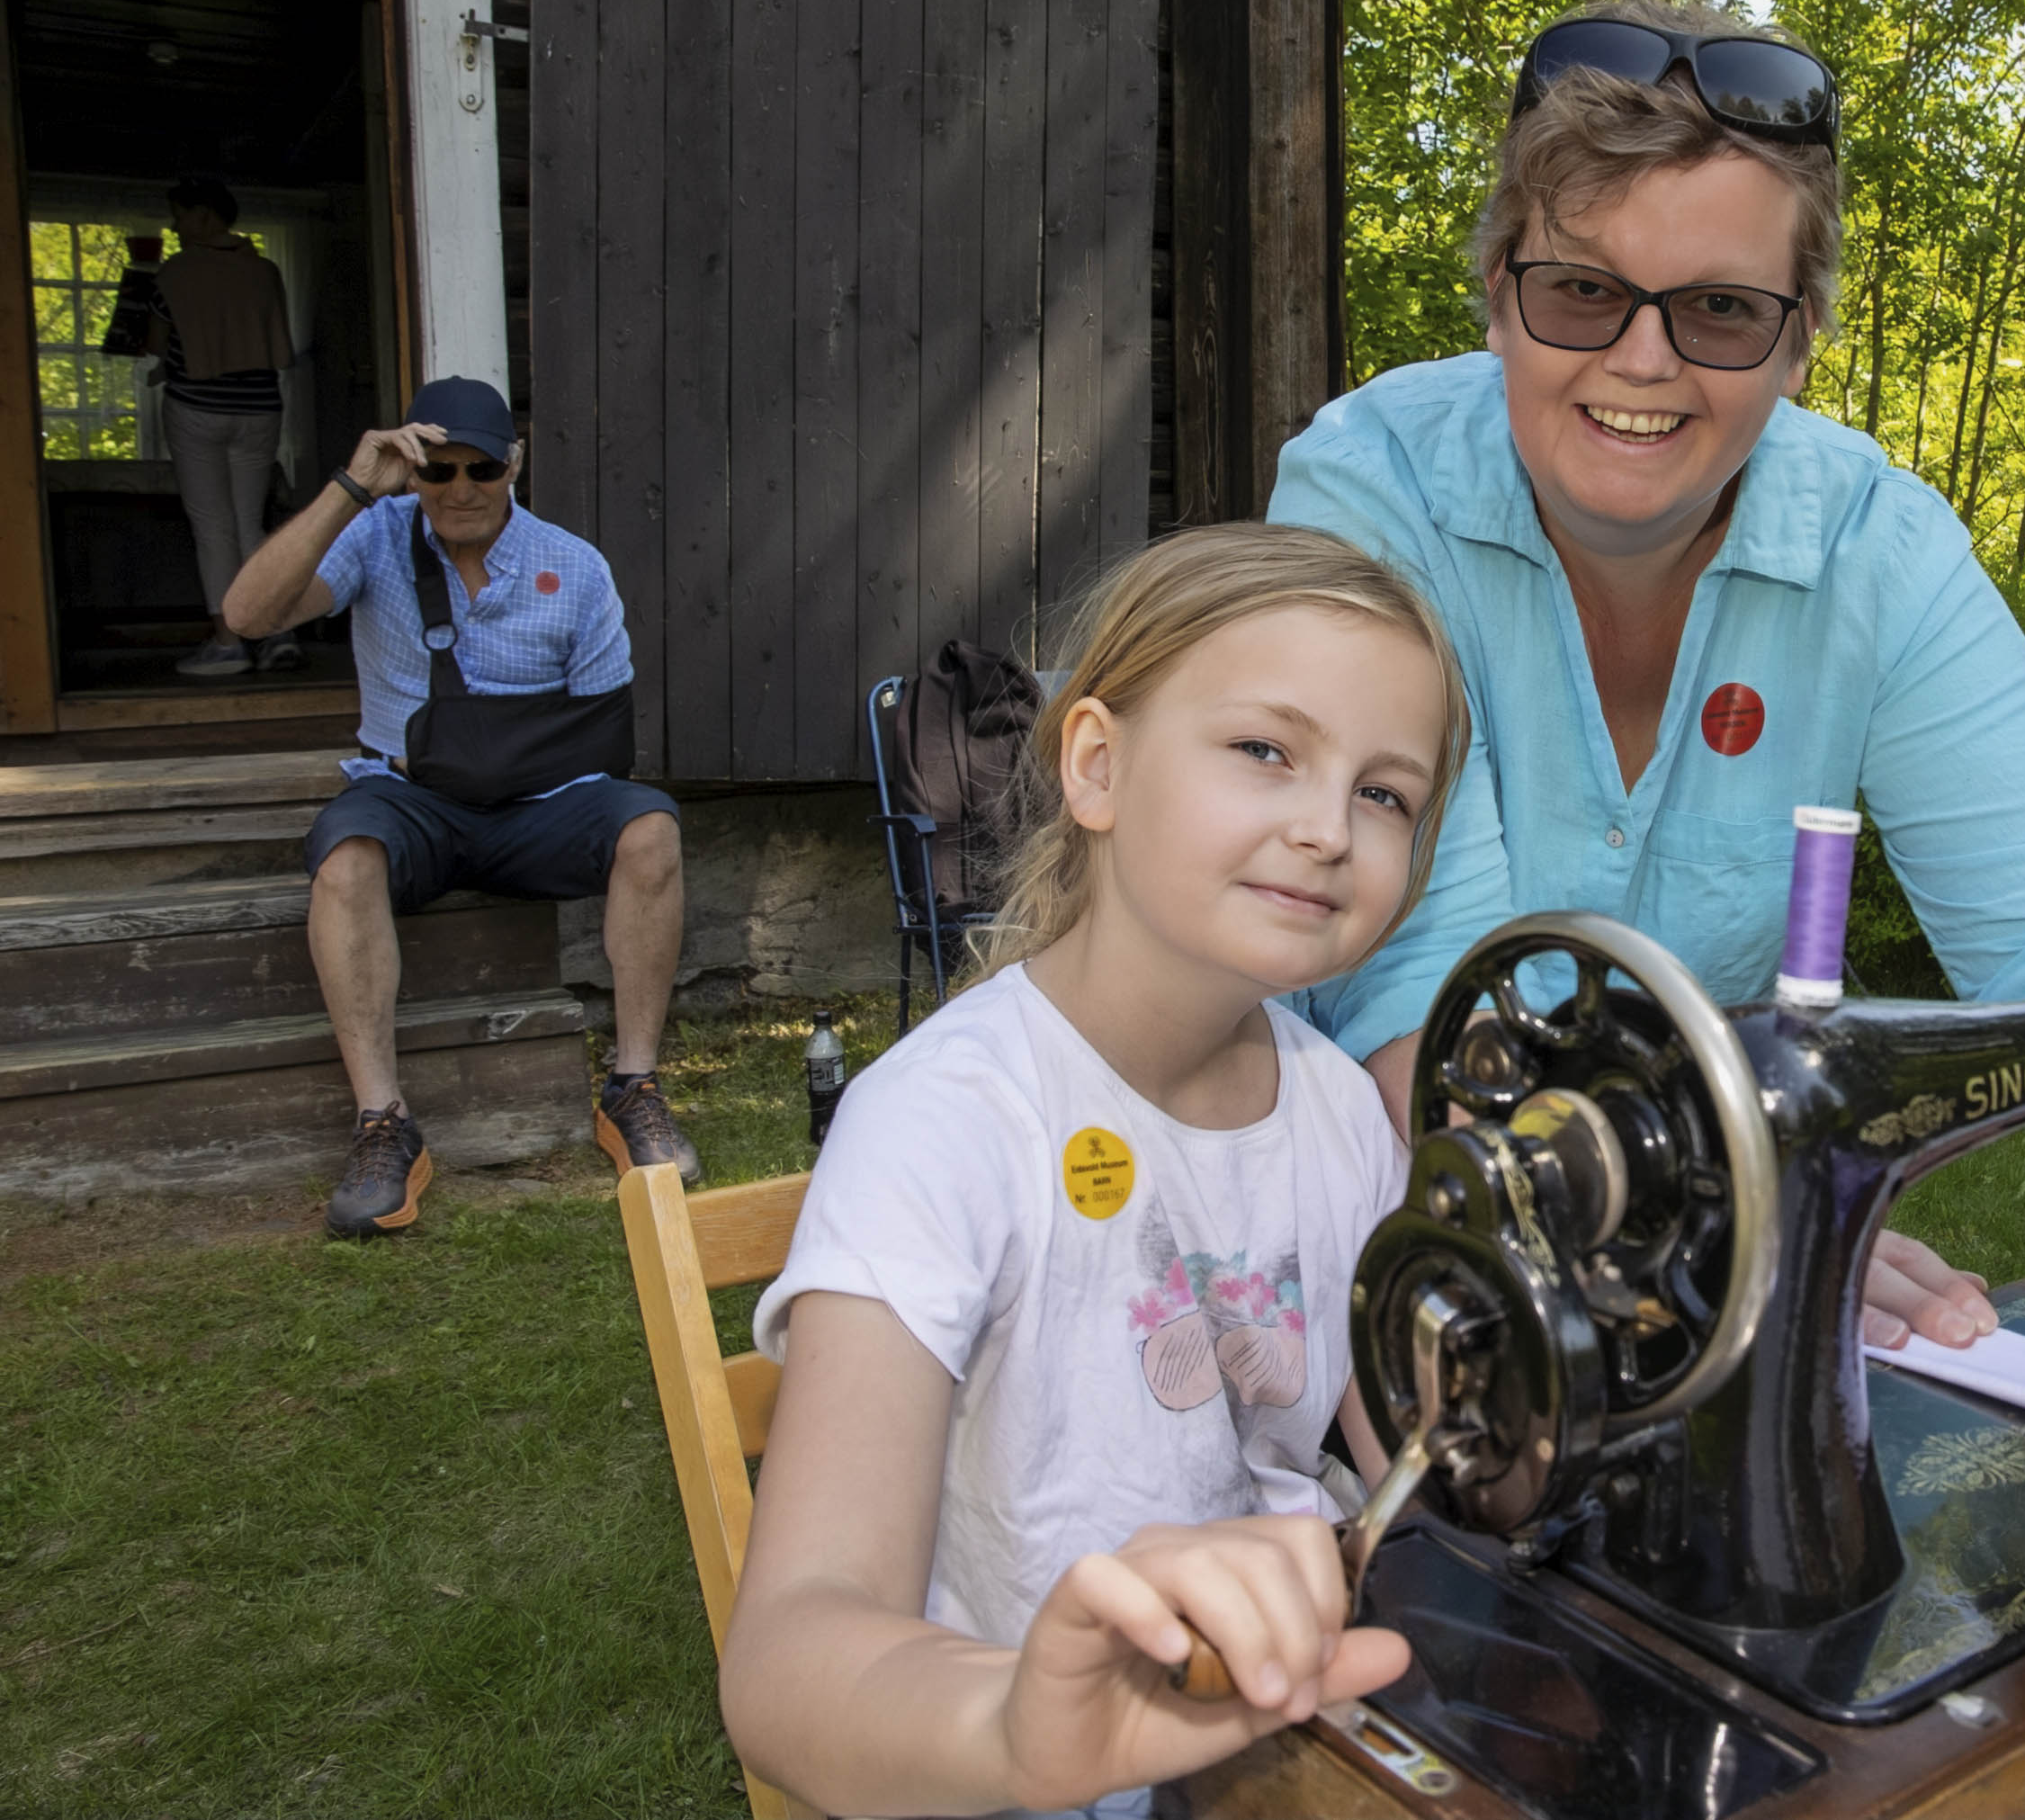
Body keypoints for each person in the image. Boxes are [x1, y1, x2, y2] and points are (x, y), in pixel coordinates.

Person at [1268, 0, 2025, 1459]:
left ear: (1801, 339)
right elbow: (1428, 1019)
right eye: (1580, 292)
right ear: (1498, 290)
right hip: (1321, 1228)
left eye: (1721, 311)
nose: (1642, 360)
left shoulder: (1879, 549)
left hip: (1638, 1257)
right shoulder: (1369, 491)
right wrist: (1729, 1217)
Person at [719, 524, 1462, 1819]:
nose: (1328, 827)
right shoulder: (943, 1127)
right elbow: (787, 1660)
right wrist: (1014, 1729)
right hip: (1002, 1772)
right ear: (1098, 766)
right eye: (1266, 751)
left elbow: (1418, 1446)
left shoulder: (1340, 1114)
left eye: (1385, 793)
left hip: (1269, 1748)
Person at [220, 376, 701, 1237]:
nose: (461, 489)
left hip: (539, 806)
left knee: (651, 825)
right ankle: (383, 1124)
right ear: (413, 473)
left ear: (513, 465)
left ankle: (633, 1087)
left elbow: (601, 739)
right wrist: (353, 486)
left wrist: (511, 762)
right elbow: (248, 615)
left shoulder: (575, 567)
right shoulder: (373, 537)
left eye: (481, 467)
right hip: (411, 800)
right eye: (437, 472)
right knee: (344, 858)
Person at [146, 175, 301, 677]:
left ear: (206, 215)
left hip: (196, 407)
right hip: (259, 408)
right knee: (249, 524)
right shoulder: (265, 271)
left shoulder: (175, 273)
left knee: (213, 529)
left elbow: (155, 343)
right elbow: (278, 341)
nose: (174, 226)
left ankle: (229, 641)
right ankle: (277, 632)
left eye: (181, 215)